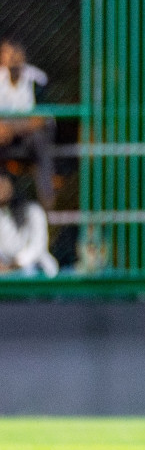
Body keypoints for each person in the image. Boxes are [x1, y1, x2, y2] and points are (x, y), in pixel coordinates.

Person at [0, 39, 56, 209]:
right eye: (5, 55)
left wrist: (11, 128)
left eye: (12, 55)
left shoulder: (35, 79)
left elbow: (40, 119)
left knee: (40, 141)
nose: (9, 60)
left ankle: (47, 201)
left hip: (29, 136)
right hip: (5, 137)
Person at [0, 171, 57, 277]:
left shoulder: (33, 211)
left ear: (12, 186)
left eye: (3, 184)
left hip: (37, 269)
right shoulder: (2, 214)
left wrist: (18, 263)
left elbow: (38, 246)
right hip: (7, 271)